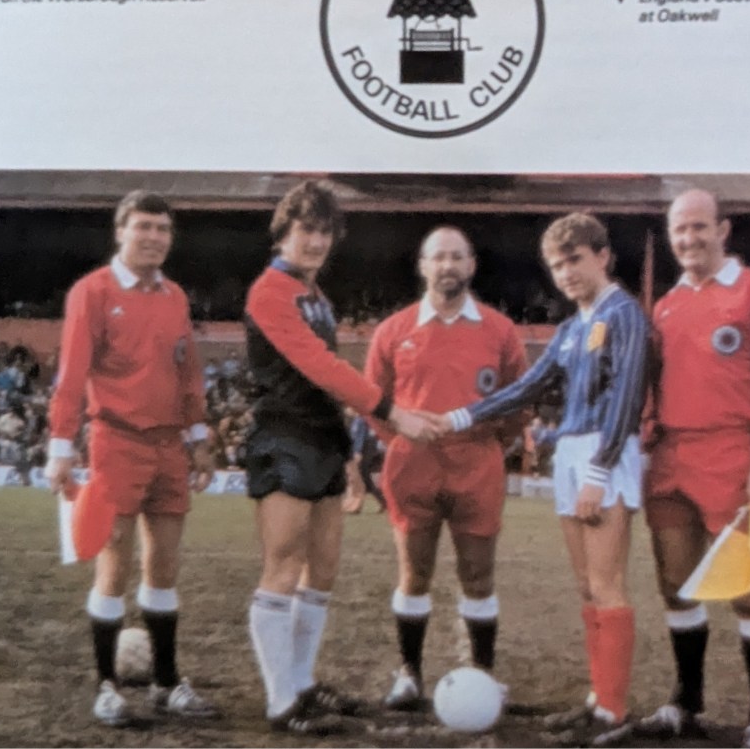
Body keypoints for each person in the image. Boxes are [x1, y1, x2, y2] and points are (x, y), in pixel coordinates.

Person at [433, 213, 650, 746]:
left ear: (602, 256)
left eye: (575, 260)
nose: (567, 273)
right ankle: (598, 700)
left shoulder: (624, 314)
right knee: (585, 585)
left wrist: (600, 469)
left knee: (606, 583)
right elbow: (529, 385)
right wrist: (463, 416)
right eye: (557, 265)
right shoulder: (573, 327)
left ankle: (614, 711)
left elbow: (627, 397)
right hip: (572, 453)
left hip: (604, 451)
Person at [242, 181, 435, 733]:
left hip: (324, 439)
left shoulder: (318, 297)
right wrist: (391, 411)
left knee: (321, 572)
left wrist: (352, 448)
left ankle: (302, 683)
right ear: (284, 231)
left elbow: (330, 385)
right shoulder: (270, 291)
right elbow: (318, 367)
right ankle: (282, 702)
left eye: (325, 231)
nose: (316, 240)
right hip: (284, 438)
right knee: (282, 568)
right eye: (306, 228)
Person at [43, 190, 218, 727]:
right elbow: (72, 373)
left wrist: (200, 436)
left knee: (163, 567)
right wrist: (60, 447)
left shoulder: (174, 296)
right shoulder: (92, 291)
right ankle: (106, 688)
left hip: (169, 446)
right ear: (121, 231)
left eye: (163, 230)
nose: (154, 238)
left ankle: (166, 684)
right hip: (117, 440)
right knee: (114, 565)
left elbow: (188, 371)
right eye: (143, 227)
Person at [639, 189, 750, 749]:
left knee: (747, 591)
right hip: (670, 458)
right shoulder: (666, 306)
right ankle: (687, 703)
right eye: (680, 229)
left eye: (699, 227)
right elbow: (655, 387)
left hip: (733, 454)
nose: (689, 238)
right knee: (676, 588)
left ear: (723, 229)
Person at [363, 227, 528, 709]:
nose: (448, 266)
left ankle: (484, 673)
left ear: (472, 265)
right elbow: (373, 402)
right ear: (423, 265)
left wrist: (490, 445)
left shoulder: (500, 330)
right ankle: (409, 673)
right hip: (413, 467)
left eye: (457, 257)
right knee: (414, 573)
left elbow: (521, 399)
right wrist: (402, 441)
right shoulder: (393, 330)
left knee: (478, 576)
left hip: (477, 465)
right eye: (439, 257)